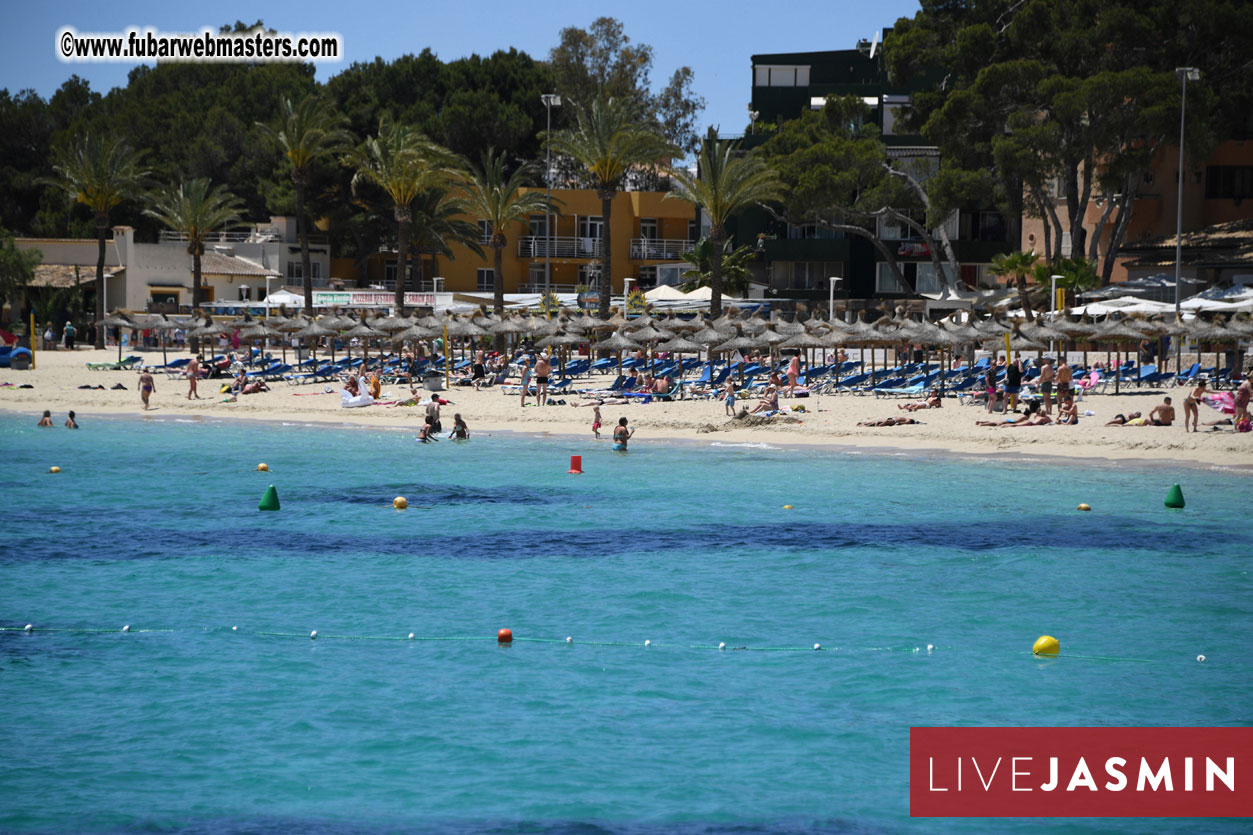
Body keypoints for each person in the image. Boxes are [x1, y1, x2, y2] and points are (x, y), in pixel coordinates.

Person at [858, 416, 922, 426]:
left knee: (876, 422)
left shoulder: (908, 420)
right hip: (892, 420)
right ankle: (864, 424)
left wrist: (899, 423)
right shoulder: (908, 419)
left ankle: (864, 423)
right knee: (876, 422)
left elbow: (905, 423)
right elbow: (905, 422)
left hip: (893, 420)